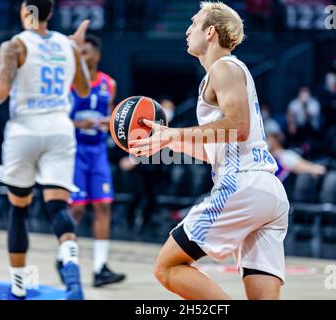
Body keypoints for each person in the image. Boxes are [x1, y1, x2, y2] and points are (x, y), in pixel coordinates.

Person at [130, 2, 289, 300]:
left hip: (242, 186)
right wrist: (169, 140)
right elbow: (221, 149)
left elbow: (238, 126)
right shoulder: (226, 71)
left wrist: (176, 132)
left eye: (194, 23)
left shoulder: (223, 66)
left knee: (167, 267)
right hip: (269, 192)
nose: (188, 30)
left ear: (211, 32)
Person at [0, 0, 91, 300]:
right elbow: (83, 90)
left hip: (25, 131)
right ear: (50, 13)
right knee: (57, 208)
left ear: (26, 11)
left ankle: (18, 287)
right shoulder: (69, 46)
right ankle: (74, 277)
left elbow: (0, 91)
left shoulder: (15, 45)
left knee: (19, 208)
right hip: (60, 131)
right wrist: (75, 50)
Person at [57, 34, 126, 287]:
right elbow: (57, 118)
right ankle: (63, 256)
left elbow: (111, 116)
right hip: (74, 151)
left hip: (97, 151)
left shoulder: (109, 83)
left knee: (103, 206)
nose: (81, 57)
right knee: (76, 208)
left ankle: (100, 268)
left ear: (95, 55)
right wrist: (78, 123)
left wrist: (110, 123)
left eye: (84, 53)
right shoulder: (69, 83)